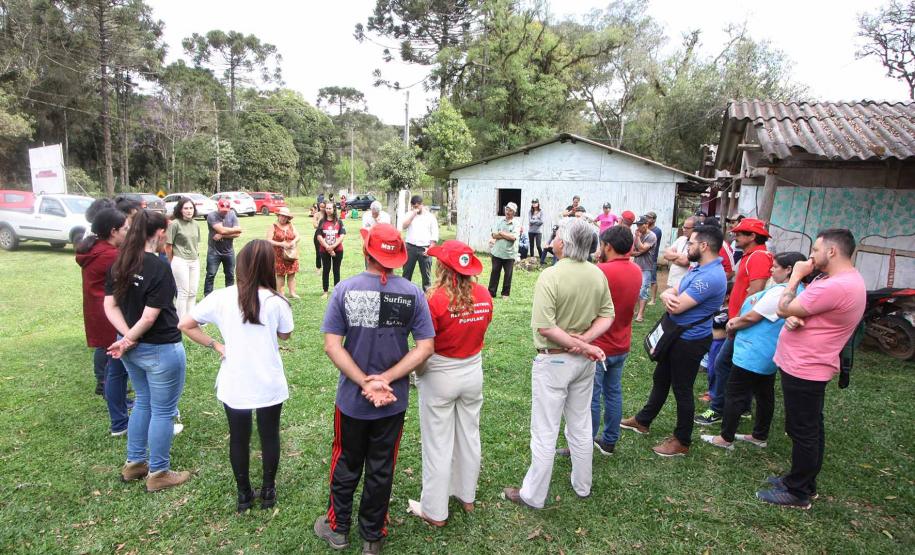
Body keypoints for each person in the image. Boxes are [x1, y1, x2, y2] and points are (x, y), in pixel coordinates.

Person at [313, 223, 435, 554]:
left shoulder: (345, 289)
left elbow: (332, 346)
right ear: (398, 257)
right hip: (392, 401)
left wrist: (364, 380)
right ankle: (372, 537)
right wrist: (387, 378)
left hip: (353, 400)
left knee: (346, 461)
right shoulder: (413, 294)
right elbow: (425, 347)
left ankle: (337, 529)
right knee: (382, 466)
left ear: (367, 251)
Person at [502, 218, 614, 509]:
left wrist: (581, 343)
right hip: (582, 362)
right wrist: (586, 343)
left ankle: (533, 495)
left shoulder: (551, 276)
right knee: (579, 424)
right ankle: (582, 485)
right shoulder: (597, 274)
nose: (553, 239)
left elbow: (545, 328)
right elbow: (607, 315)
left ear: (563, 242)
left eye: (556, 235)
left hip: (554, 361)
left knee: (545, 430)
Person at [179, 240, 294, 512]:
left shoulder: (221, 297)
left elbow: (186, 324)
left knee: (239, 437)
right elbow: (285, 334)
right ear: (269, 266)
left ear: (240, 264)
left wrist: (217, 345)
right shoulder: (277, 301)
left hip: (235, 380)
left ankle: (244, 494)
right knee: (269, 435)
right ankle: (268, 490)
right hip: (268, 379)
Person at [756, 229, 866, 509]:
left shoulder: (836, 285)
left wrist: (794, 278)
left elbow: (784, 308)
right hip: (807, 363)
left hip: (807, 367)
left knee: (803, 430)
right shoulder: (841, 281)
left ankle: (799, 491)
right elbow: (807, 314)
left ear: (832, 251)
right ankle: (802, 480)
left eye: (816, 249)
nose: (812, 255)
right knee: (809, 427)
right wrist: (796, 318)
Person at [407, 240, 493, 526]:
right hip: (472, 370)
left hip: (440, 373)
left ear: (442, 267)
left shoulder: (434, 299)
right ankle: (466, 495)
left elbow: (425, 346)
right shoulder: (483, 295)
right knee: (469, 435)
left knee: (437, 443)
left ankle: (435, 510)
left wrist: (414, 372)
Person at [620, 225, 727, 456]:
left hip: (689, 341)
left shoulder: (710, 276)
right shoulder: (698, 268)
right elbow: (669, 293)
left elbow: (677, 305)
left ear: (704, 246)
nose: (688, 247)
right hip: (676, 336)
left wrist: (672, 300)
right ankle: (643, 420)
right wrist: (671, 298)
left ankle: (682, 440)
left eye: (691, 243)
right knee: (661, 378)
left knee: (682, 389)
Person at [104, 210, 190, 492]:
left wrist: (125, 338)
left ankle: (135, 464)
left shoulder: (121, 262)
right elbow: (151, 316)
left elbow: (110, 306)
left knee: (143, 401)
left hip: (132, 349)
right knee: (163, 410)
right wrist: (129, 338)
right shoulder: (158, 266)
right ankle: (159, 472)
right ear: (160, 233)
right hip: (160, 348)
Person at [702, 252, 808, 451]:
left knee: (735, 392)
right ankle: (759, 435)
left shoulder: (782, 293)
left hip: (753, 351)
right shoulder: (798, 291)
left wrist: (732, 324)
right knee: (764, 393)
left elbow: (752, 317)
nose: (771, 269)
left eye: (776, 267)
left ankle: (725, 438)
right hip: (767, 351)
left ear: (789, 270)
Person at [563, 225, 640, 456]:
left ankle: (583, 444)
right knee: (614, 392)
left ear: (608, 246)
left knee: (591, 397)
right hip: (622, 343)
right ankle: (609, 440)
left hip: (599, 346)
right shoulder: (636, 271)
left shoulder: (601, 271)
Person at [696, 218, 773, 426]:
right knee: (738, 366)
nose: (735, 236)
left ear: (752, 237)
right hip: (739, 320)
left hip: (742, 323)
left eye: (740, 234)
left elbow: (756, 292)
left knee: (722, 364)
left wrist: (738, 321)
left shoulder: (758, 257)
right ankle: (744, 406)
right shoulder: (750, 256)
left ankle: (718, 408)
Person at [76, 207, 131, 432]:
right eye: (126, 229)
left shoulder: (96, 249)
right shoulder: (110, 256)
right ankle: (119, 417)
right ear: (113, 231)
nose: (128, 232)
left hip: (100, 312)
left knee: (114, 368)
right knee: (116, 370)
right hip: (109, 316)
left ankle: (119, 406)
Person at [165, 197, 201, 319]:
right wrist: (172, 261)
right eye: (186, 208)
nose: (189, 210)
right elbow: (168, 246)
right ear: (180, 210)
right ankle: (180, 321)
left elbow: (196, 243)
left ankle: (190, 319)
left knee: (193, 292)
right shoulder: (175, 224)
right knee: (183, 292)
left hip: (194, 260)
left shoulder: (196, 224)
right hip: (180, 260)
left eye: (191, 208)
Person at [204, 199, 243, 297]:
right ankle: (207, 296)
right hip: (214, 251)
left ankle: (229, 296)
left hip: (229, 251)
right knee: (211, 274)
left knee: (230, 275)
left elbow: (238, 233)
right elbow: (222, 230)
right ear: (218, 206)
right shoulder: (212, 215)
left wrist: (223, 235)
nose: (224, 211)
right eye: (222, 209)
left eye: (226, 210)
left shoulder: (232, 214)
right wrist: (232, 230)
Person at [401, 195, 439, 291]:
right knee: (406, 273)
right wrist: (413, 214)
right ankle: (405, 294)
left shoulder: (430, 217)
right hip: (410, 248)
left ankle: (427, 297)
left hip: (425, 248)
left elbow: (434, 235)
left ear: (422, 205)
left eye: (417, 206)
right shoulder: (409, 214)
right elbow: (404, 226)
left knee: (426, 276)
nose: (415, 208)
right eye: (413, 206)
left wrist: (430, 248)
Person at [266, 207, 300, 299]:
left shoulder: (291, 225)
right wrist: (281, 244)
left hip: (291, 254)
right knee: (280, 275)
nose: (283, 218)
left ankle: (292, 293)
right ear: (278, 216)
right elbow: (268, 240)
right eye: (282, 216)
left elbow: (297, 236)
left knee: (292, 274)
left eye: (286, 217)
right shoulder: (273, 226)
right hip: (278, 255)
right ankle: (281, 294)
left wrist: (293, 242)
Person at [488, 202, 519, 299]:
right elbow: (493, 235)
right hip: (497, 252)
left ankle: (505, 294)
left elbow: (513, 237)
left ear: (514, 212)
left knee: (508, 274)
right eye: (507, 209)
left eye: (510, 210)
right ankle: (491, 293)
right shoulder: (499, 222)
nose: (507, 212)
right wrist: (505, 235)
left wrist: (501, 233)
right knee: (495, 272)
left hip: (509, 254)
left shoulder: (516, 224)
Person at [317, 202, 346, 299]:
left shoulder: (339, 222)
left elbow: (342, 236)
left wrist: (333, 246)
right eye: (327, 208)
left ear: (334, 209)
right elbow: (319, 236)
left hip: (338, 250)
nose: (328, 210)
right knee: (326, 270)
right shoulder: (322, 222)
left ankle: (336, 291)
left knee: (336, 270)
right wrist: (328, 248)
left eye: (330, 208)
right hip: (324, 250)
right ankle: (325, 291)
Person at [631, 216, 658, 322]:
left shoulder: (652, 236)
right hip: (636, 265)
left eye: (640, 225)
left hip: (647, 267)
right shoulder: (638, 235)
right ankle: (637, 310)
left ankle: (640, 314)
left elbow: (642, 248)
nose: (638, 227)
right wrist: (638, 252)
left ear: (646, 224)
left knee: (643, 290)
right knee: (636, 289)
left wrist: (637, 238)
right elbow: (632, 252)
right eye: (637, 225)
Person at [663, 217, 696, 290]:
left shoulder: (696, 244)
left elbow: (685, 262)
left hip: (683, 283)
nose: (684, 229)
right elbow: (665, 254)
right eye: (684, 227)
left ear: (695, 229)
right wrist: (679, 256)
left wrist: (672, 258)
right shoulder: (681, 239)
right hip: (672, 280)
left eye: (687, 228)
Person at [645, 211, 662, 305]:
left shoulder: (657, 231)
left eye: (649, 217)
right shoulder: (645, 228)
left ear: (654, 219)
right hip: (644, 257)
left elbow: (649, 241)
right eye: (647, 217)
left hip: (652, 258)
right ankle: (644, 296)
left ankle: (653, 299)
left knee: (653, 280)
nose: (647, 219)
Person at [312, 201, 326, 273]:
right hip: (318, 235)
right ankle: (318, 268)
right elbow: (315, 225)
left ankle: (326, 267)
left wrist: (320, 224)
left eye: (324, 207)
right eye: (321, 207)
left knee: (326, 252)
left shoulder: (328, 214)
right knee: (318, 252)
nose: (322, 208)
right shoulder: (316, 214)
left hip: (327, 235)